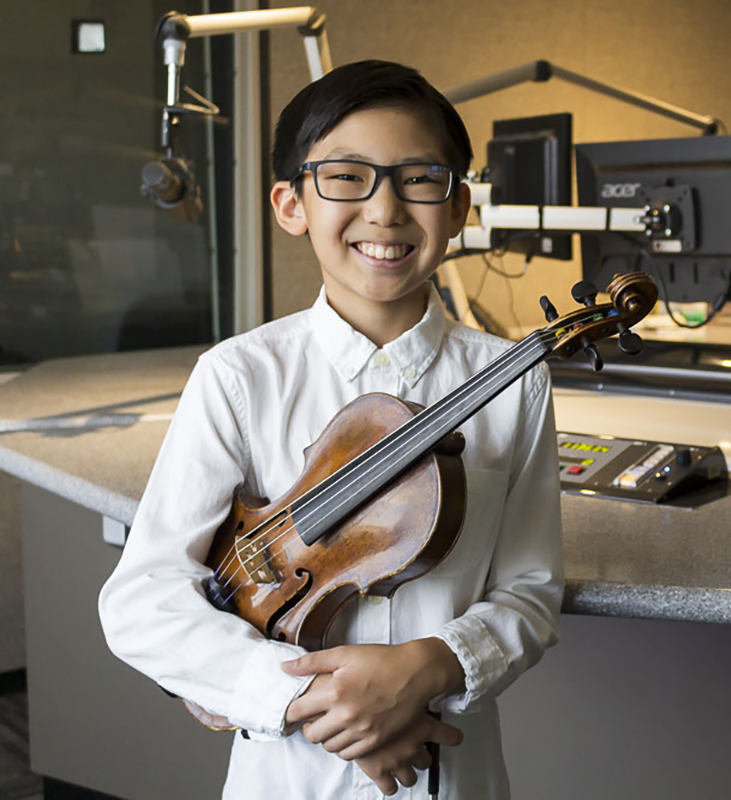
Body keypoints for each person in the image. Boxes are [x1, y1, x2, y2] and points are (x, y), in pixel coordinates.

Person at [98, 60, 564, 800]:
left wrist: (432, 665)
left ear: (461, 205)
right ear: (290, 204)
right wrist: (322, 706)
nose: (385, 211)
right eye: (347, 177)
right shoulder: (239, 377)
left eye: (419, 179)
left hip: (456, 776)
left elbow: (532, 592)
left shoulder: (514, 379)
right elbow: (145, 600)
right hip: (288, 779)